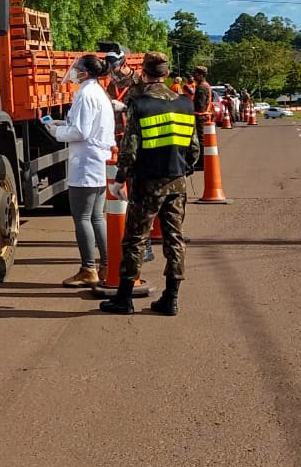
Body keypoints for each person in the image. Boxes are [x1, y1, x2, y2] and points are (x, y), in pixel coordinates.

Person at [101, 52, 201, 315]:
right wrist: (182, 169)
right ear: (166, 74)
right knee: (175, 238)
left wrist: (119, 178)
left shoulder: (141, 103)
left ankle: (124, 298)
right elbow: (194, 149)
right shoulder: (185, 103)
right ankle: (171, 298)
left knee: (135, 239)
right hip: (177, 181)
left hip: (147, 183)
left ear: (144, 74)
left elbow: (130, 148)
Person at [49, 55, 118, 288]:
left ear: (86, 73)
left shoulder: (86, 94)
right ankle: (107, 264)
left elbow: (80, 132)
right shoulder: (99, 92)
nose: (75, 72)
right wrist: (64, 126)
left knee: (82, 218)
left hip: (87, 163)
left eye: (78, 69)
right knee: (97, 217)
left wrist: (56, 132)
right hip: (99, 161)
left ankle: (88, 268)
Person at [191, 66, 212, 167]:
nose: (194, 76)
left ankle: (202, 161)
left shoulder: (202, 87)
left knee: (201, 139)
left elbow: (200, 105)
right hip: (203, 115)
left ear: (202, 75)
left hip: (200, 116)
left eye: (196, 74)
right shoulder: (205, 85)